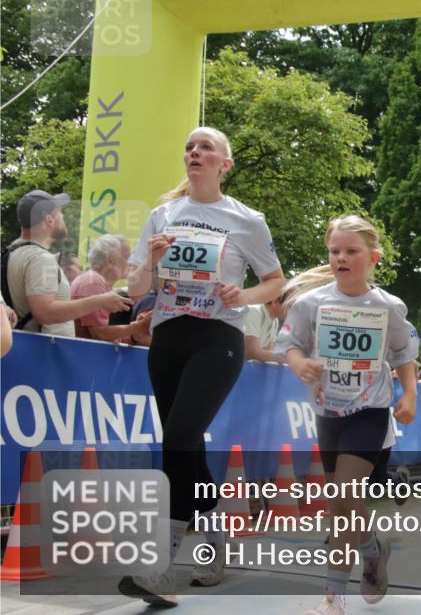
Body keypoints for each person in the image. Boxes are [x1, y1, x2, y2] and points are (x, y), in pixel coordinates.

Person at [118, 127, 284, 606]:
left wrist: (245, 294)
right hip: (169, 336)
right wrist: (148, 262)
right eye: (190, 147)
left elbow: (274, 282)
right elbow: (134, 290)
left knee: (180, 436)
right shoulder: (162, 214)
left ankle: (163, 565)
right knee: (184, 448)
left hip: (219, 336)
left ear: (224, 164)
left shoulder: (245, 219)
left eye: (206, 147)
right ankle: (213, 546)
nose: (195, 152)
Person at [277, 215, 418, 615]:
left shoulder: (389, 306)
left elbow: (405, 353)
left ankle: (333, 597)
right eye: (335, 251)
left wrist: (410, 395)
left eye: (351, 251)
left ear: (372, 257)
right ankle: (373, 547)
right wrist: (299, 363)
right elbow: (289, 343)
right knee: (345, 504)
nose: (341, 257)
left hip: (370, 411)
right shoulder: (310, 304)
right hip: (328, 412)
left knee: (342, 497)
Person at [3, 190, 132, 336]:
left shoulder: (13, 252)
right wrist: (100, 301)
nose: (63, 217)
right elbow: (45, 312)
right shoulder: (40, 258)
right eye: (60, 213)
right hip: (44, 352)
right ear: (49, 219)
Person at [72, 234, 149, 342]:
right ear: (110, 260)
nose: (130, 263)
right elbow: (100, 333)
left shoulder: (97, 282)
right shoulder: (93, 282)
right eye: (127, 258)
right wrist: (139, 326)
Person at [243, 292, 288, 363]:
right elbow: (251, 352)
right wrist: (290, 358)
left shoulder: (274, 320)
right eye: (290, 305)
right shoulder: (254, 311)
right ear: (275, 302)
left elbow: (267, 352)